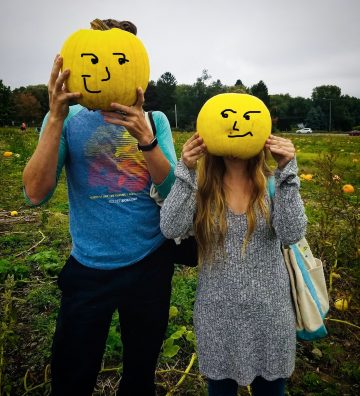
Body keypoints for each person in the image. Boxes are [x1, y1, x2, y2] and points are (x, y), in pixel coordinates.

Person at [23, 18, 178, 396]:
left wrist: (146, 140)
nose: (106, 70)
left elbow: (175, 194)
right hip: (89, 267)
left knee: (140, 373)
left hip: (149, 263)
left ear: (137, 68)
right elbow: (35, 192)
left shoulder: (155, 120)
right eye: (93, 60)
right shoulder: (65, 119)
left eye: (120, 61)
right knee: (72, 375)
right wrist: (56, 116)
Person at [160, 132, 307, 396]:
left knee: (271, 390)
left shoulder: (273, 185)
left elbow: (292, 232)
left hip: (270, 316)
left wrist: (287, 171)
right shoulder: (201, 187)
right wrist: (186, 171)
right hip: (217, 316)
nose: (236, 128)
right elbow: (171, 227)